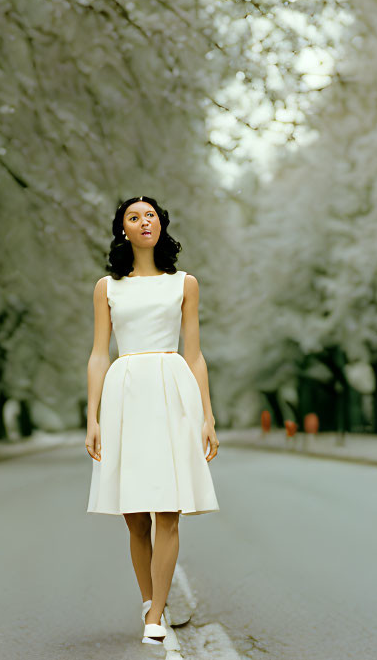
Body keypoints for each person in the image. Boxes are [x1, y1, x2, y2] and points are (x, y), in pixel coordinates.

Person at [85, 196, 220, 646]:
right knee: (134, 514)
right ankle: (149, 599)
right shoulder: (108, 287)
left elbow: (195, 354)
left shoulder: (185, 284)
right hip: (125, 393)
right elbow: (100, 354)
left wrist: (207, 416)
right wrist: (93, 417)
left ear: (162, 224)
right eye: (134, 217)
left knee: (168, 507)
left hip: (171, 390)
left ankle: (155, 615)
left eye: (151, 216)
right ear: (123, 229)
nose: (145, 222)